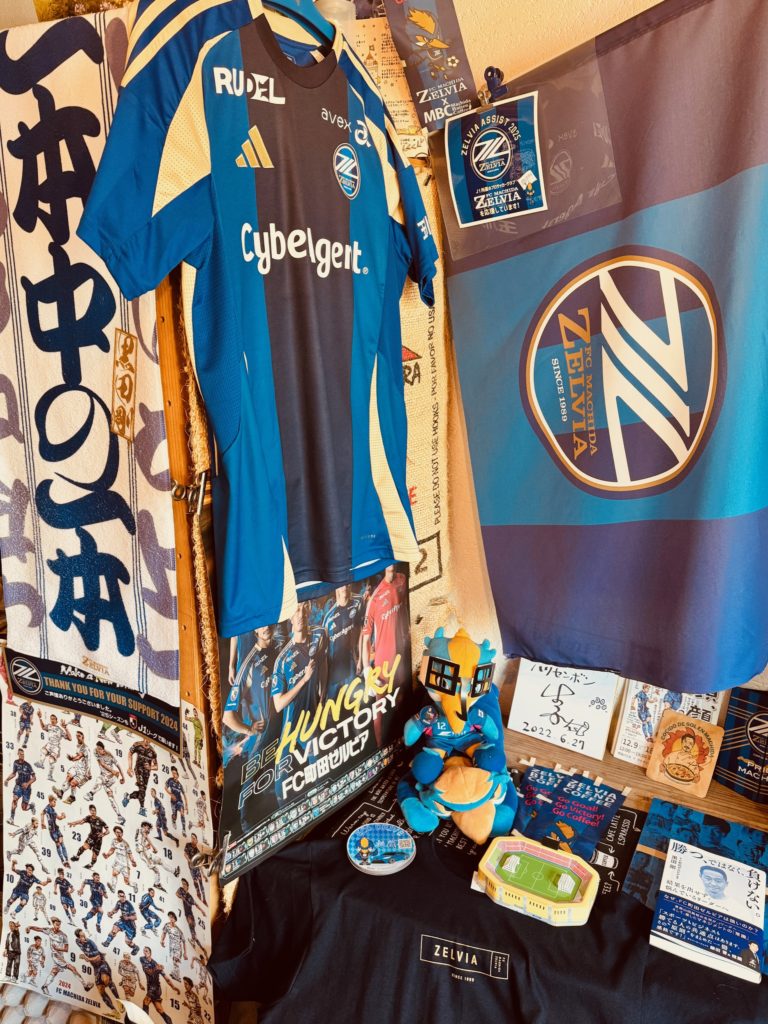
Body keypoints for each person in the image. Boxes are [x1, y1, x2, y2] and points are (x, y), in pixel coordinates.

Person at [271, 603, 328, 802]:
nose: (300, 614)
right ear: (290, 617)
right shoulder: (283, 659)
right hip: (290, 727)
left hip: (310, 721)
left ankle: (322, 804)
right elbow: (278, 704)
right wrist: (304, 680)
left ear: (309, 611)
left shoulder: (319, 636)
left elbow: (324, 662)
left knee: (320, 770)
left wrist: (322, 693)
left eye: (304, 609)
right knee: (280, 787)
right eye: (296, 610)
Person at [323, 584, 364, 700]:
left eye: (346, 583)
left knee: (354, 702)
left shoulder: (357, 603)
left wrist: (360, 659)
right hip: (334, 670)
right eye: (341, 585)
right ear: (336, 588)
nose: (344, 587)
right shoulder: (328, 618)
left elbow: (361, 631)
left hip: (351, 665)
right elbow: (324, 652)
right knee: (331, 705)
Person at [27, 917, 80, 995]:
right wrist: (30, 927)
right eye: (56, 924)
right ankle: (85, 985)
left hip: (60, 956)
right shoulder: (49, 931)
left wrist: (58, 948)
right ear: (53, 924)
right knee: (72, 968)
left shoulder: (63, 935)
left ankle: (44, 986)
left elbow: (66, 949)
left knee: (54, 972)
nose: (58, 926)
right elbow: (39, 929)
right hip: (56, 956)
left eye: (59, 925)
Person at [75, 927, 120, 1011]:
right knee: (100, 989)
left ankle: (119, 1001)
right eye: (81, 936)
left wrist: (87, 958)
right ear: (78, 937)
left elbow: (98, 957)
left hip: (102, 964)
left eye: (83, 935)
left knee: (105, 979)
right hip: (95, 968)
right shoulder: (77, 941)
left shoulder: (91, 943)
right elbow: (79, 943)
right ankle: (113, 1010)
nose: (84, 937)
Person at [87, 741, 127, 825]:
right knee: (111, 798)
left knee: (99, 780)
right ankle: (120, 816)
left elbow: (118, 766)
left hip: (111, 778)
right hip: (105, 776)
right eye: (97, 749)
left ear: (103, 749)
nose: (98, 751)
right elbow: (101, 764)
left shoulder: (109, 755)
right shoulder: (95, 751)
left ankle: (90, 794)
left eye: (99, 749)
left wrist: (123, 777)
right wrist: (112, 771)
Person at [140, 946, 179, 1024]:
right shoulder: (143, 959)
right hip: (152, 987)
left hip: (154, 988)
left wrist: (173, 987)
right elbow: (149, 972)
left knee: (145, 1002)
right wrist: (157, 968)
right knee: (159, 1009)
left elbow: (166, 978)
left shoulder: (156, 964)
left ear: (150, 953)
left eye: (146, 951)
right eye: (144, 951)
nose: (145, 952)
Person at [53, 729, 92, 803]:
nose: (77, 738)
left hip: (83, 771)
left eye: (79, 736)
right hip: (77, 767)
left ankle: (72, 797)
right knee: (69, 776)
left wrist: (72, 759)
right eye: (76, 736)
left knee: (73, 783)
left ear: (83, 737)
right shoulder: (78, 746)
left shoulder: (85, 748)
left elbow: (79, 757)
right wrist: (73, 758)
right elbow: (78, 756)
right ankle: (61, 792)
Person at [124, 736, 158, 817]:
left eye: (149, 740)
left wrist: (150, 767)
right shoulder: (137, 745)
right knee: (142, 788)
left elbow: (156, 766)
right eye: (146, 739)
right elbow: (130, 754)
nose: (147, 741)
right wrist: (130, 767)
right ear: (143, 737)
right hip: (138, 769)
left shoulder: (152, 751)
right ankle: (142, 808)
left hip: (147, 773)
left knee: (142, 792)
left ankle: (128, 797)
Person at [34, 712, 70, 782]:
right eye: (51, 719)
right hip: (49, 744)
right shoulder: (49, 726)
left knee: (51, 760)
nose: (52, 720)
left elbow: (70, 738)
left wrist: (65, 728)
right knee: (43, 750)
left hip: (55, 747)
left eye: (54, 719)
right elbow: (43, 727)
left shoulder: (59, 730)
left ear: (56, 721)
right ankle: (41, 763)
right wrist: (40, 718)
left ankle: (50, 776)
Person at [136, 821, 172, 890]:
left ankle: (174, 871)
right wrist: (153, 848)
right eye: (147, 828)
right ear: (143, 826)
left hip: (146, 852)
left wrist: (149, 847)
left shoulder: (141, 835)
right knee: (156, 870)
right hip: (144, 854)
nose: (148, 830)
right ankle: (156, 884)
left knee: (160, 860)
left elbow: (144, 840)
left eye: (149, 829)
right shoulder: (141, 830)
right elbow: (144, 841)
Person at [5, 747, 36, 823]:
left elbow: (34, 778)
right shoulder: (15, 763)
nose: (22, 756)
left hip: (27, 789)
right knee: (14, 799)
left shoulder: (28, 765)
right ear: (18, 754)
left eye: (23, 754)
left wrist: (27, 784)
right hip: (18, 785)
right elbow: (14, 773)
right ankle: (11, 818)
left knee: (24, 808)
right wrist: (7, 779)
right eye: (21, 754)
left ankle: (31, 806)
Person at [104, 889, 140, 954]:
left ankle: (135, 947)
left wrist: (128, 918)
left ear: (125, 896)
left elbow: (135, 917)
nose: (122, 898)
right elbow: (115, 909)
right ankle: (107, 942)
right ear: (118, 896)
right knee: (114, 928)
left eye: (123, 896)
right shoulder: (119, 902)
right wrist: (111, 913)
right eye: (120, 896)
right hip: (123, 921)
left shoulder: (129, 904)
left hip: (130, 925)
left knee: (127, 941)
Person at [103, 824, 137, 892]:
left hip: (125, 864)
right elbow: (112, 849)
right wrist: (107, 855)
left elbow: (130, 854)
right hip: (117, 862)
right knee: (114, 873)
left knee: (126, 882)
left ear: (122, 833)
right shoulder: (114, 841)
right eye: (117, 832)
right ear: (115, 833)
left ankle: (134, 885)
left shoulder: (125, 844)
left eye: (120, 832)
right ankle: (113, 888)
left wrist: (133, 861)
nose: (118, 834)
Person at [176, 877, 205, 951]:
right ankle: (195, 942)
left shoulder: (190, 897)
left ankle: (194, 941)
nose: (183, 885)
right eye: (182, 884)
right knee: (192, 928)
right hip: (187, 914)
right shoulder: (181, 890)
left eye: (185, 884)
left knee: (192, 927)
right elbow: (177, 893)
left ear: (187, 886)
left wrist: (202, 911)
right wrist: (181, 897)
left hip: (190, 914)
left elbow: (196, 904)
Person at [42, 794, 70, 867]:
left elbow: (59, 818)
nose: (55, 803)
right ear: (50, 801)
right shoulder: (47, 808)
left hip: (56, 829)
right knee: (58, 844)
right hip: (52, 830)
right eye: (54, 802)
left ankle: (67, 860)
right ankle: (63, 860)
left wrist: (63, 816)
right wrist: (42, 822)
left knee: (62, 843)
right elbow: (42, 813)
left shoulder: (53, 809)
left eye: (55, 802)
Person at [161, 910, 187, 981]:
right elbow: (164, 933)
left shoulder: (178, 930)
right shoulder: (167, 925)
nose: (171, 919)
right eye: (170, 917)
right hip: (171, 947)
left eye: (172, 917)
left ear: (175, 919)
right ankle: (175, 974)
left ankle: (177, 976)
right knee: (174, 961)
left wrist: (185, 953)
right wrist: (162, 940)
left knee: (176, 960)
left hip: (178, 948)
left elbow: (184, 941)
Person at [183, 833, 208, 906]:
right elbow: (185, 854)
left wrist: (203, 874)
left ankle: (204, 899)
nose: (192, 839)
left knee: (200, 881)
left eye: (194, 838)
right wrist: (190, 861)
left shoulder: (198, 851)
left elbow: (200, 864)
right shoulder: (188, 845)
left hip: (197, 868)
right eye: (192, 838)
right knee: (195, 881)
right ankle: (198, 893)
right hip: (191, 868)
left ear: (197, 840)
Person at [166, 765, 188, 837]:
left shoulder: (180, 785)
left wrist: (186, 806)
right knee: (174, 816)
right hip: (173, 802)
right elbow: (165, 788)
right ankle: (173, 820)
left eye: (175, 773)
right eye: (172, 773)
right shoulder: (170, 780)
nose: (174, 775)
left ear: (177, 775)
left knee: (182, 812)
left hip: (179, 801)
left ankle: (184, 830)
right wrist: (171, 794)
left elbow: (184, 795)